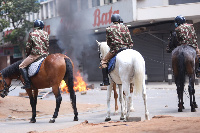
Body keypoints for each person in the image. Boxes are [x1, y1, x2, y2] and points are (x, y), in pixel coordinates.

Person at [100, 14, 134, 86]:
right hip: (126, 49)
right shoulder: (125, 27)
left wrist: (112, 47)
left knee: (103, 61)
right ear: (119, 20)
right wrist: (129, 47)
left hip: (115, 50)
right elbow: (130, 40)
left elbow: (108, 42)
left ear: (112, 20)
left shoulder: (109, 29)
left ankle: (105, 81)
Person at [19, 19, 49, 89]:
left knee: (21, 66)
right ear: (42, 26)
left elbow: (28, 46)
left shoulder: (32, 34)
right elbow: (47, 45)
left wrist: (28, 54)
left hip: (36, 55)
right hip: (45, 54)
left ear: (35, 26)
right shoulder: (46, 34)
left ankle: (28, 83)